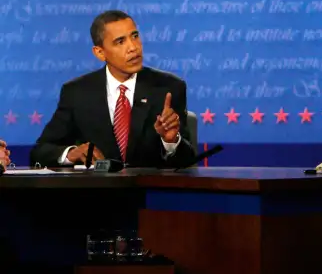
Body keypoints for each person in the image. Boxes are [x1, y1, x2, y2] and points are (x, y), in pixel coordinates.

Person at [30, 10, 197, 169]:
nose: (133, 47)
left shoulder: (168, 88)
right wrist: (72, 153)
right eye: (120, 41)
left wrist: (171, 141)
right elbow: (40, 152)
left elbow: (187, 162)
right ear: (100, 53)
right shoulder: (77, 93)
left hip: (150, 193)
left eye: (135, 36)